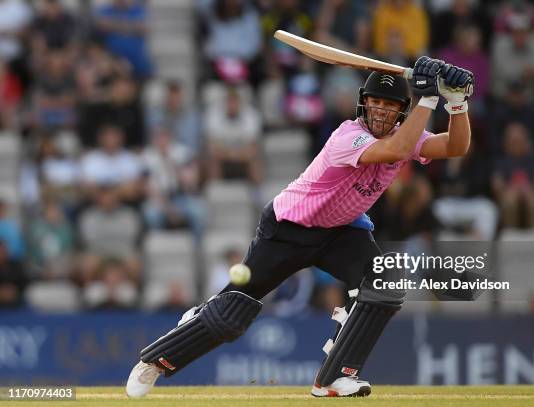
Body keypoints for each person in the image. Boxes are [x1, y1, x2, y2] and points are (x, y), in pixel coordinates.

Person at [126, 56, 474, 398]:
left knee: (383, 283)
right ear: (363, 105)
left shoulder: (405, 133)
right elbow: (394, 149)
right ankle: (155, 361)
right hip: (290, 228)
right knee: (229, 316)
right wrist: (428, 98)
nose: (381, 110)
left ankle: (334, 378)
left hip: (342, 230)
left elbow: (454, 146)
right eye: (375, 102)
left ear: (401, 111)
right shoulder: (347, 136)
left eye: (390, 104)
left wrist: (457, 103)